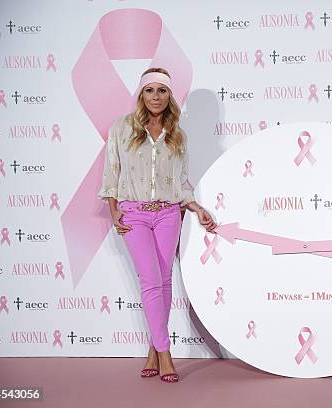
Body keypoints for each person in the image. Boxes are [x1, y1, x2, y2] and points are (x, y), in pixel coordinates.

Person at [99, 68, 216, 383]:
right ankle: (166, 354)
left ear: (169, 96)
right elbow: (112, 171)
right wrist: (113, 211)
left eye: (161, 91)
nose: (155, 97)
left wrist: (196, 207)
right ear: (141, 94)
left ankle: (153, 349)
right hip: (133, 213)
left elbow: (179, 180)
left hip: (168, 214)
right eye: (149, 90)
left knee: (164, 282)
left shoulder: (177, 132)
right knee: (151, 280)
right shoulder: (121, 128)